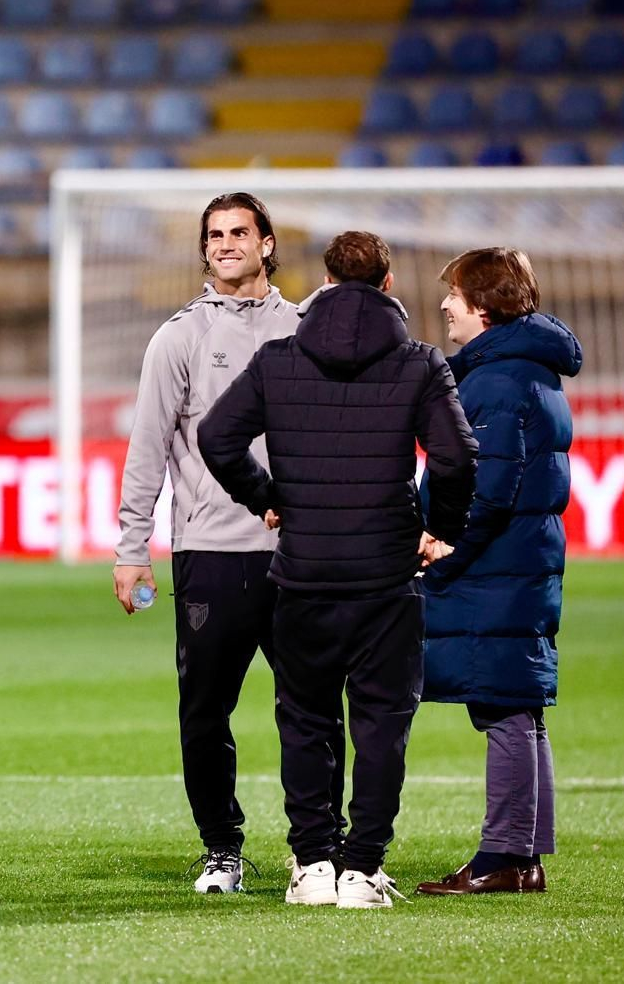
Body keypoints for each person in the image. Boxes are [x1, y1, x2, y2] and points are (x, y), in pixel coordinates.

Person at [198, 230, 478, 909]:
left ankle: (312, 865)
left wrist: (268, 499)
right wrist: (443, 529)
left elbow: (215, 436)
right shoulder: (420, 364)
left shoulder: (278, 360)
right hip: (386, 576)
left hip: (304, 574)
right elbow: (458, 458)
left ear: (325, 281)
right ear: (387, 285)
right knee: (381, 724)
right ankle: (362, 870)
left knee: (306, 722)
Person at [113, 192, 343, 895]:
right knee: (204, 710)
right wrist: (132, 547)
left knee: (312, 706)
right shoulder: (177, 338)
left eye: (240, 232)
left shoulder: (309, 330)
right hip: (211, 552)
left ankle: (317, 850)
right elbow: (146, 448)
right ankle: (222, 847)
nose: (225, 244)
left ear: (269, 244)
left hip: (299, 553)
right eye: (214, 235)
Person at [414, 249, 581, 897]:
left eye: (454, 295)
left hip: (496, 569)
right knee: (520, 705)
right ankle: (523, 857)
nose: (447, 307)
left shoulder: (499, 380)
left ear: (482, 305)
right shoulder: (527, 370)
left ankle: (504, 857)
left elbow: (485, 486)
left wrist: (439, 540)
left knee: (503, 707)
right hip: (521, 562)